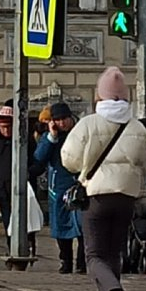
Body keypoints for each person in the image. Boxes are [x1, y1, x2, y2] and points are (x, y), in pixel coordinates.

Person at [61, 67, 146, 291]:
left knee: (93, 255)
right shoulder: (136, 126)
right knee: (113, 253)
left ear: (100, 96)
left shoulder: (89, 124)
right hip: (126, 196)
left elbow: (68, 157)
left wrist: (85, 168)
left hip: (97, 196)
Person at [33, 101, 86, 275]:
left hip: (80, 184)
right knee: (61, 225)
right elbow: (39, 157)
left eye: (64, 119)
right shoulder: (49, 137)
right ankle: (66, 260)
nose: (62, 123)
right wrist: (52, 137)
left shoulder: (81, 132)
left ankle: (82, 262)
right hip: (59, 187)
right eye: (58, 120)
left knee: (82, 225)